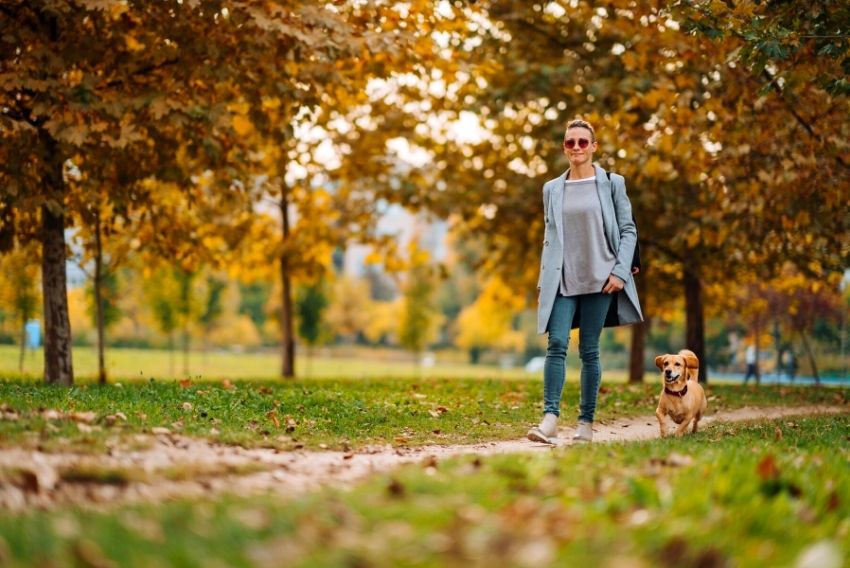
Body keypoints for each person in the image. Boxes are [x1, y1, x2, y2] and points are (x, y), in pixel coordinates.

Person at [527, 119, 643, 445]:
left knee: (589, 351)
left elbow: (628, 229)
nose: (576, 147)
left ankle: (585, 425)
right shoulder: (551, 189)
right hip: (563, 280)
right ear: (564, 148)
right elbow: (550, 238)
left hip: (601, 280)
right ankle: (549, 420)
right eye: (570, 143)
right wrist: (544, 281)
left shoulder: (611, 183)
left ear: (593, 147)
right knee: (557, 344)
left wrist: (620, 271)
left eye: (582, 142)